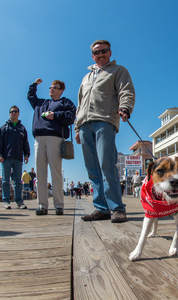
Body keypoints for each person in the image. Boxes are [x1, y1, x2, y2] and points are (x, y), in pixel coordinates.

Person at [75, 40, 135, 223]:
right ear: (92, 56)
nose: (100, 54)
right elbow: (79, 104)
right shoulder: (86, 78)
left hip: (105, 122)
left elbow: (127, 91)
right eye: (96, 52)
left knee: (107, 166)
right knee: (92, 169)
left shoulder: (119, 71)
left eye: (104, 51)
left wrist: (125, 108)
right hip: (85, 125)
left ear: (110, 52)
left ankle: (117, 208)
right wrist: (77, 127)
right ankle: (101, 208)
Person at [28, 78, 76, 216]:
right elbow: (30, 96)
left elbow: (71, 116)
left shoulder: (65, 102)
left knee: (56, 173)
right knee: (40, 174)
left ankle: (59, 205)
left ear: (61, 90)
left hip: (55, 138)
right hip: (39, 139)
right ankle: (42, 205)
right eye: (50, 87)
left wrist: (55, 115)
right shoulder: (41, 103)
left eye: (55, 87)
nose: (51, 89)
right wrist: (34, 85)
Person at [0, 105, 30, 209]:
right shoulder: (4, 128)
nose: (13, 113)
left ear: (18, 114)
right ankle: (6, 201)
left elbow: (25, 143)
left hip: (18, 158)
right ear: (9, 113)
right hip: (6, 157)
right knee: (6, 180)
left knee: (18, 181)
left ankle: (19, 201)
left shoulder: (22, 128)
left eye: (15, 111)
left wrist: (27, 154)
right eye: (12, 112)